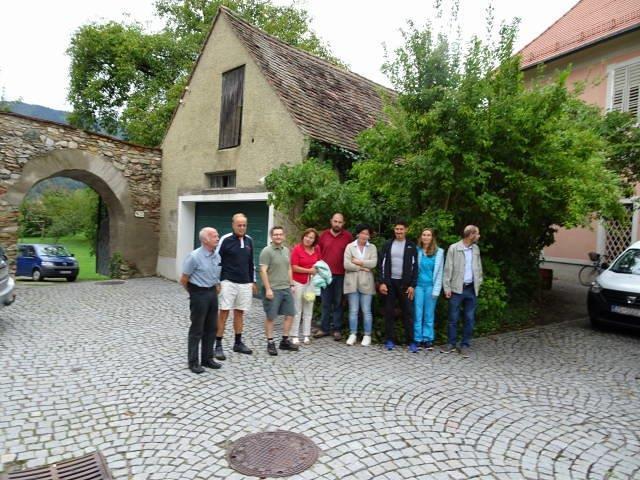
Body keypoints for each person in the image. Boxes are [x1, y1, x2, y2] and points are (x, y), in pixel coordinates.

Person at [214, 213, 258, 360]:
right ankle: (218, 345)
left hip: (245, 282)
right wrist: (217, 281)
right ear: (233, 225)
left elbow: (251, 262)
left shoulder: (249, 240)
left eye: (244, 225)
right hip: (228, 281)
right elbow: (216, 260)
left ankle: (238, 343)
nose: (242, 228)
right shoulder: (225, 240)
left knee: (240, 312)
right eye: (239, 225)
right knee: (224, 312)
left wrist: (253, 281)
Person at [180, 227, 223, 374]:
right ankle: (193, 362)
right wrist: (194, 293)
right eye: (214, 236)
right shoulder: (194, 257)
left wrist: (217, 285)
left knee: (212, 327)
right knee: (197, 329)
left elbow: (216, 274)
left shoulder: (216, 255)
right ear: (205, 240)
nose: (217, 238)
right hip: (198, 293)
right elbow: (184, 279)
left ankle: (207, 358)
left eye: (217, 235)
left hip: (212, 293)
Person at [441, 225, 483, 358]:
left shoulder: (476, 249)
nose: (479, 236)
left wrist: (479, 282)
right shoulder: (454, 248)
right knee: (453, 318)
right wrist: (447, 287)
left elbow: (478, 267)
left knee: (469, 318)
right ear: (471, 235)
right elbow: (448, 269)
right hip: (456, 289)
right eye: (477, 234)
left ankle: (465, 344)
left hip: (471, 289)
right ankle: (451, 343)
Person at [258, 226, 300, 356]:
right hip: (273, 289)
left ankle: (284, 341)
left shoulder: (286, 250)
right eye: (276, 234)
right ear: (272, 236)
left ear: (284, 236)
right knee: (271, 317)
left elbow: (288, 268)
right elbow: (263, 271)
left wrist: (291, 284)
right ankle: (270, 342)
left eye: (280, 234)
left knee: (290, 314)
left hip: (286, 288)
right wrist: (268, 289)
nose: (278, 236)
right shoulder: (266, 251)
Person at [378, 220, 419, 352]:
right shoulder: (388, 244)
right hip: (390, 283)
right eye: (397, 229)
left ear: (406, 230)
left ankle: (411, 341)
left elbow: (415, 267)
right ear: (394, 230)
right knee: (389, 312)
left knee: (408, 313)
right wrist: (382, 282)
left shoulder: (411, 246)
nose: (399, 231)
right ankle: (390, 340)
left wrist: (412, 285)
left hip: (405, 284)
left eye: (401, 229)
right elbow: (381, 264)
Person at [315, 213, 353, 341]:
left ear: (343, 223)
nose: (337, 224)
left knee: (338, 303)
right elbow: (318, 252)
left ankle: (337, 329)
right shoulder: (323, 235)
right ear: (331, 221)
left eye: (340, 222)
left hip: (341, 275)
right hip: (325, 275)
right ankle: (324, 328)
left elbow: (351, 254)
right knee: (325, 303)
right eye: (335, 221)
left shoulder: (348, 237)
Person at [343, 224, 378, 346]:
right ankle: (352, 334)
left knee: (366, 310)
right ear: (358, 234)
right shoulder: (350, 246)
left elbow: (373, 263)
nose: (364, 235)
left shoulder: (372, 247)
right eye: (362, 233)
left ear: (369, 236)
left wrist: (358, 262)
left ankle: (367, 335)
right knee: (353, 310)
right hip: (352, 282)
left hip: (367, 283)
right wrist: (362, 267)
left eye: (367, 234)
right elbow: (346, 265)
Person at [414, 228, 444, 351]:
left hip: (431, 286)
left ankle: (428, 339)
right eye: (424, 235)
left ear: (432, 237)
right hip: (418, 286)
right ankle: (417, 339)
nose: (426, 237)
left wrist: (437, 290)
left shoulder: (439, 252)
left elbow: (440, 272)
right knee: (418, 313)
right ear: (421, 237)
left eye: (428, 235)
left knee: (429, 314)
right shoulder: (416, 250)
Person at [290, 228, 321, 345]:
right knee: (297, 309)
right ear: (303, 237)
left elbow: (319, 264)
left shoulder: (317, 249)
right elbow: (294, 267)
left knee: (309, 307)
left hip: (311, 283)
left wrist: (317, 270)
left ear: (314, 240)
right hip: (298, 282)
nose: (308, 239)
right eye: (307, 236)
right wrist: (309, 270)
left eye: (311, 237)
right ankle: (294, 335)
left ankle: (306, 335)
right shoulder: (297, 249)